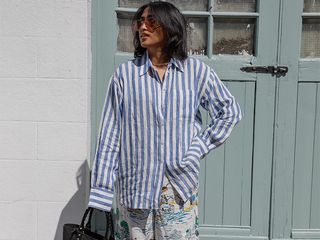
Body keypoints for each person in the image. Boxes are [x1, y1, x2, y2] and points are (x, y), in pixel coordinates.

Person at [88, 1, 242, 239]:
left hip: (178, 188)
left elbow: (229, 111)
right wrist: (101, 190)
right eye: (140, 21)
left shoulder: (196, 73)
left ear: (171, 27)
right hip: (134, 187)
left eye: (151, 21)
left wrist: (198, 148)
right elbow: (110, 134)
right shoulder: (125, 76)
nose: (143, 27)